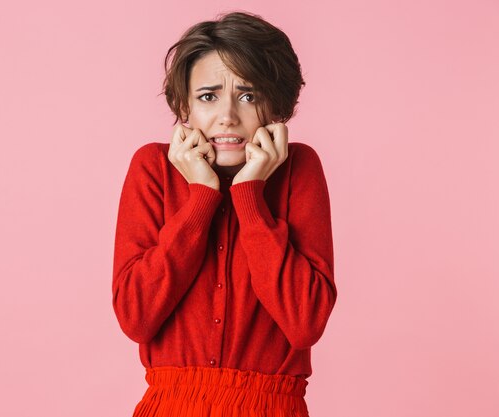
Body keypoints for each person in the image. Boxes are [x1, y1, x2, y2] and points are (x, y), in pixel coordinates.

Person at [112, 10, 337, 417]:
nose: (228, 116)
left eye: (248, 95)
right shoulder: (153, 168)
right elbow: (136, 318)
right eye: (208, 96)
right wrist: (201, 196)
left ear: (276, 106)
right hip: (172, 405)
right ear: (184, 105)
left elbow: (305, 323)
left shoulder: (299, 169)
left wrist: (250, 194)